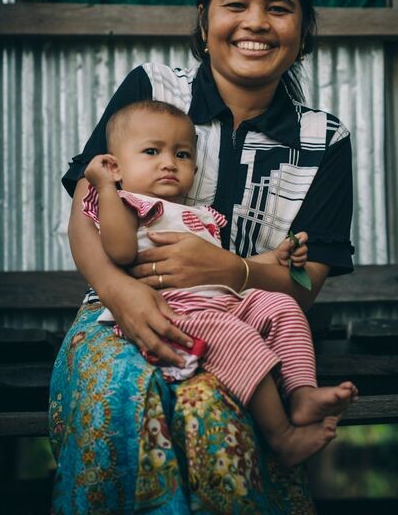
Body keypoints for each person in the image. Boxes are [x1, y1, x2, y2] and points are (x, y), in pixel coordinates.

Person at [50, 0, 355, 515]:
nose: (256, 23)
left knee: (212, 409)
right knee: (127, 393)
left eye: (279, 7)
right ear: (204, 16)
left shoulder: (323, 140)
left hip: (241, 327)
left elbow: (308, 282)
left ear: (305, 25)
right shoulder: (152, 90)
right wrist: (121, 293)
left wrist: (233, 269)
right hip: (118, 318)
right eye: (235, 4)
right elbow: (88, 206)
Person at [83, 99, 357, 469]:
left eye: (181, 154)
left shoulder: (196, 215)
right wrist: (105, 188)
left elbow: (226, 263)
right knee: (238, 336)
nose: (168, 162)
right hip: (173, 310)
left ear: (195, 167)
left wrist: (273, 259)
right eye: (151, 152)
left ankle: (303, 392)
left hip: (224, 300)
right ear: (115, 165)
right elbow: (117, 251)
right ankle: (282, 437)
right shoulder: (127, 204)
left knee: (283, 306)